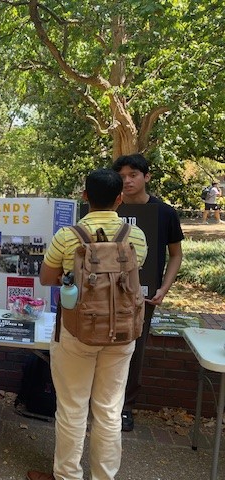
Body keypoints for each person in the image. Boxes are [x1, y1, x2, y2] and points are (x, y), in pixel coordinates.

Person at [27, 169, 148, 480]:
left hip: (77, 331)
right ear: (120, 198)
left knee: (72, 407)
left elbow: (47, 278)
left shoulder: (68, 236)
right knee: (109, 410)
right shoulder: (135, 237)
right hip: (122, 332)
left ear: (85, 198)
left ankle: (67, 475)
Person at [112, 153, 184, 432]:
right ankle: (102, 403)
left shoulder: (164, 213)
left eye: (133, 175)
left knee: (134, 350)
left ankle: (126, 407)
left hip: (144, 295)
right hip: (104, 291)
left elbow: (175, 255)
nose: (127, 181)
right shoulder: (109, 209)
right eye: (121, 177)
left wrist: (164, 288)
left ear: (146, 177)